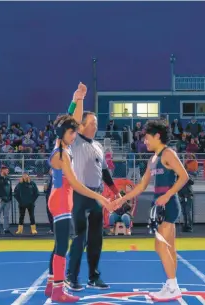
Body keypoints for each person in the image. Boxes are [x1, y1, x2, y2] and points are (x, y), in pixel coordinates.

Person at [45, 83, 113, 303]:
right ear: (64, 134)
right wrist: (100, 197)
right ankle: (58, 290)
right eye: (72, 132)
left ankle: (50, 285)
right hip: (63, 198)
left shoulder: (61, 145)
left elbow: (69, 121)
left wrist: (78, 98)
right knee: (64, 245)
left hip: (61, 197)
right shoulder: (63, 153)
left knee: (60, 244)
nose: (74, 134)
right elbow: (75, 184)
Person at [113, 120, 189, 301]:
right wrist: (122, 199)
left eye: (146, 138)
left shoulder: (168, 153)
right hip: (159, 205)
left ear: (157, 136)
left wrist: (168, 195)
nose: (144, 141)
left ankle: (172, 285)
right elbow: (141, 186)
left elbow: (184, 176)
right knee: (169, 247)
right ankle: (172, 285)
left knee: (160, 245)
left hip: (168, 205)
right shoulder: (153, 159)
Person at [65, 110, 121, 292]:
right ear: (81, 126)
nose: (95, 127)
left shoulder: (98, 145)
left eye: (96, 124)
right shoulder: (75, 141)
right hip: (80, 195)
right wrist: (78, 98)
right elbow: (71, 118)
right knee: (80, 237)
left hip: (97, 197)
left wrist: (116, 193)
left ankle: (93, 276)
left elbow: (104, 172)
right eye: (92, 123)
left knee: (96, 239)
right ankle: (71, 277)